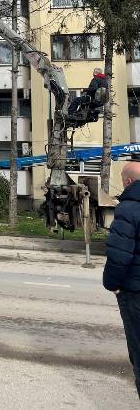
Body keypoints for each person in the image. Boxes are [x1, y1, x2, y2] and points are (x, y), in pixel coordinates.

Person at [103, 161, 140, 398]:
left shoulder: (128, 208)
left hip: (135, 293)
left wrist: (112, 285)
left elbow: (119, 255)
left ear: (127, 181)